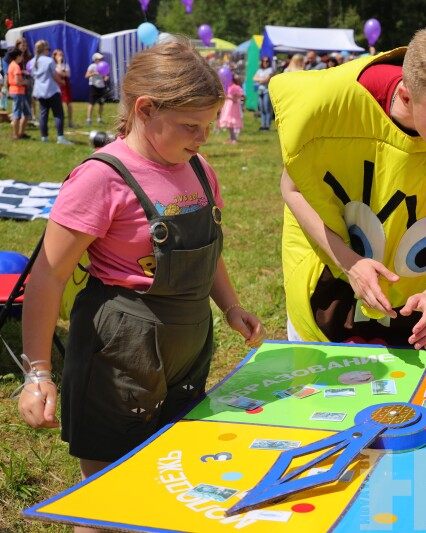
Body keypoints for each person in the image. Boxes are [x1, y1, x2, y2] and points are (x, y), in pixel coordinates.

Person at [16, 40, 266, 514]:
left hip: (187, 347)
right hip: (120, 353)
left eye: (210, 124)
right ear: (145, 109)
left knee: (173, 474)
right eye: (191, 125)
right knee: (109, 494)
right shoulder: (100, 178)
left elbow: (207, 249)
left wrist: (231, 306)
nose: (204, 137)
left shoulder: (200, 169)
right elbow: (48, 277)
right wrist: (38, 372)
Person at [271, 22, 426, 350]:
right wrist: (350, 263)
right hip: (331, 290)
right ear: (406, 96)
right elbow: (292, 189)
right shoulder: (332, 107)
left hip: (420, 299)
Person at [30, 40, 73, 145]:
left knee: (43, 114)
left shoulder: (32, 62)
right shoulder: (49, 60)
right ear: (44, 50)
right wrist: (62, 82)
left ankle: (44, 137)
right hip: (51, 90)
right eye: (48, 49)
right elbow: (54, 76)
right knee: (58, 114)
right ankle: (60, 137)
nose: (49, 51)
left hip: (39, 91)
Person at [7, 48, 31, 140]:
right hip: (17, 91)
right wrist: (25, 82)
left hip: (16, 91)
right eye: (21, 55)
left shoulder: (11, 65)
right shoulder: (16, 66)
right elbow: (17, 81)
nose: (22, 57)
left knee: (26, 113)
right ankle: (16, 135)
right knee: (17, 114)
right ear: (17, 56)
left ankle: (21, 133)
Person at [52, 49, 76, 128]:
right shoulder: (53, 64)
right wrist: (59, 64)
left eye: (62, 55)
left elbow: (67, 74)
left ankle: (70, 121)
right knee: (59, 104)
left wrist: (62, 73)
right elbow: (58, 72)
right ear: (55, 56)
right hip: (57, 85)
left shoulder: (65, 64)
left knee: (69, 103)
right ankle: (60, 122)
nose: (61, 56)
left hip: (65, 85)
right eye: (59, 55)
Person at [219, 74, 243, 144]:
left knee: (232, 122)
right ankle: (232, 138)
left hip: (232, 107)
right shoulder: (227, 87)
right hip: (227, 106)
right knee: (229, 123)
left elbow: (235, 100)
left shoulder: (235, 87)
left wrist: (228, 97)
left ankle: (234, 138)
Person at [85, 52, 107, 126]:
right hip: (93, 87)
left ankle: (99, 119)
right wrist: (94, 73)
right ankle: (89, 119)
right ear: (95, 59)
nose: (101, 60)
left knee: (101, 104)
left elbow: (105, 76)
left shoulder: (103, 66)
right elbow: (86, 75)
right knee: (91, 103)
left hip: (101, 87)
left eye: (101, 59)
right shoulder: (92, 66)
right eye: (99, 59)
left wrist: (106, 77)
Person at [252, 56, 274, 131]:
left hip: (266, 91)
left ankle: (267, 125)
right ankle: (263, 125)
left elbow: (266, 80)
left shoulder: (270, 70)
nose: (265, 62)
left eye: (267, 61)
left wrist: (259, 80)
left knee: (267, 108)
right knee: (262, 109)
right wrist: (262, 80)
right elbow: (254, 78)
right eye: (264, 61)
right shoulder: (259, 70)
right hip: (260, 91)